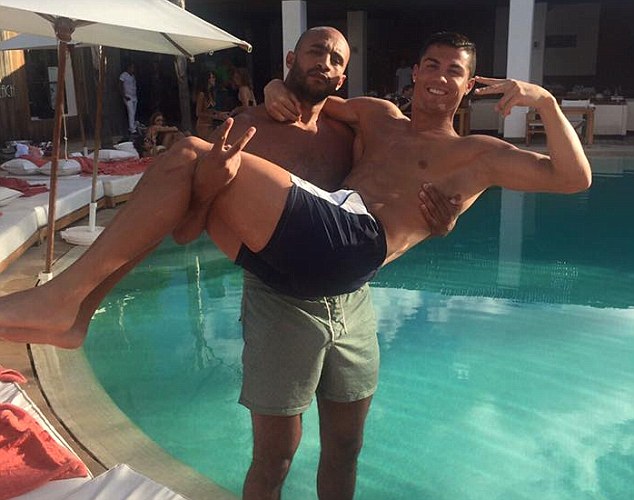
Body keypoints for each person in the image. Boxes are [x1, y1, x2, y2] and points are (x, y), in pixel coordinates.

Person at [0, 29, 592, 497]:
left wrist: (543, 101)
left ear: (470, 86)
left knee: (345, 446)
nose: (440, 78)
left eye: (454, 71)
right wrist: (271, 89)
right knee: (193, 163)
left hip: (354, 253)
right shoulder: (376, 116)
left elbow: (573, 178)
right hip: (310, 256)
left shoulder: (479, 153)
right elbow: (313, 94)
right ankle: (72, 307)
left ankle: (68, 304)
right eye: (432, 66)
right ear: (415, 73)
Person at [195, 72, 231, 140]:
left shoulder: (210, 93)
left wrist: (220, 114)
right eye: (212, 77)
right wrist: (215, 116)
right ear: (207, 80)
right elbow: (198, 113)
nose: (214, 79)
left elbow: (210, 110)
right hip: (203, 125)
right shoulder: (202, 94)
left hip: (210, 124)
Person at [119, 61, 138, 137]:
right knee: (131, 112)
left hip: (134, 96)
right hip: (128, 96)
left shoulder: (133, 76)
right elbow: (120, 85)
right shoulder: (123, 75)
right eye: (132, 67)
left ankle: (133, 126)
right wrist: (123, 95)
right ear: (128, 67)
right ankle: (132, 129)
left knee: (134, 112)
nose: (133, 69)